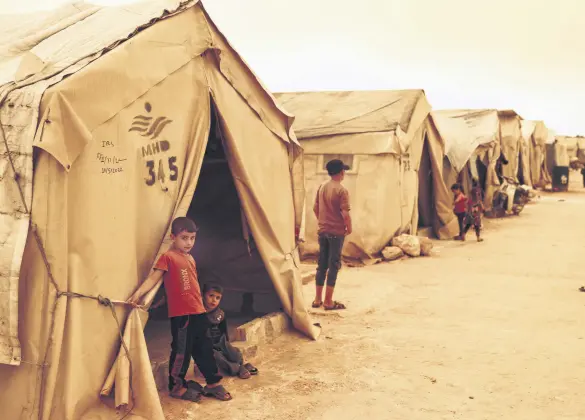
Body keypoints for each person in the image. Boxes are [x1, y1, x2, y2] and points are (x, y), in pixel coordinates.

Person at [127, 217, 232, 402]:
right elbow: (154, 279)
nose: (189, 242)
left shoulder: (190, 258)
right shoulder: (168, 257)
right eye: (184, 238)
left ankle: (213, 383)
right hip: (181, 315)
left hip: (198, 311)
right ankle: (176, 386)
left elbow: (190, 284)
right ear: (173, 237)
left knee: (204, 347)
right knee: (182, 351)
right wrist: (139, 293)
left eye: (192, 238)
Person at [312, 159, 352, 311]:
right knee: (333, 265)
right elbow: (345, 214)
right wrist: (349, 228)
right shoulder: (342, 191)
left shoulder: (322, 187)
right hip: (336, 232)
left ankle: (317, 299)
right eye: (344, 171)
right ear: (341, 172)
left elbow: (315, 208)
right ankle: (328, 301)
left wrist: (324, 222)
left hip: (323, 231)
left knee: (321, 265)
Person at [202, 284, 259, 379]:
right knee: (218, 357)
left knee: (234, 354)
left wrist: (226, 345)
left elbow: (223, 330)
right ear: (203, 295)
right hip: (206, 344)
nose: (214, 300)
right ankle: (236, 369)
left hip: (220, 341)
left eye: (217, 298)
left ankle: (242, 364)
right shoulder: (199, 313)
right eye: (211, 295)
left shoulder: (220, 314)